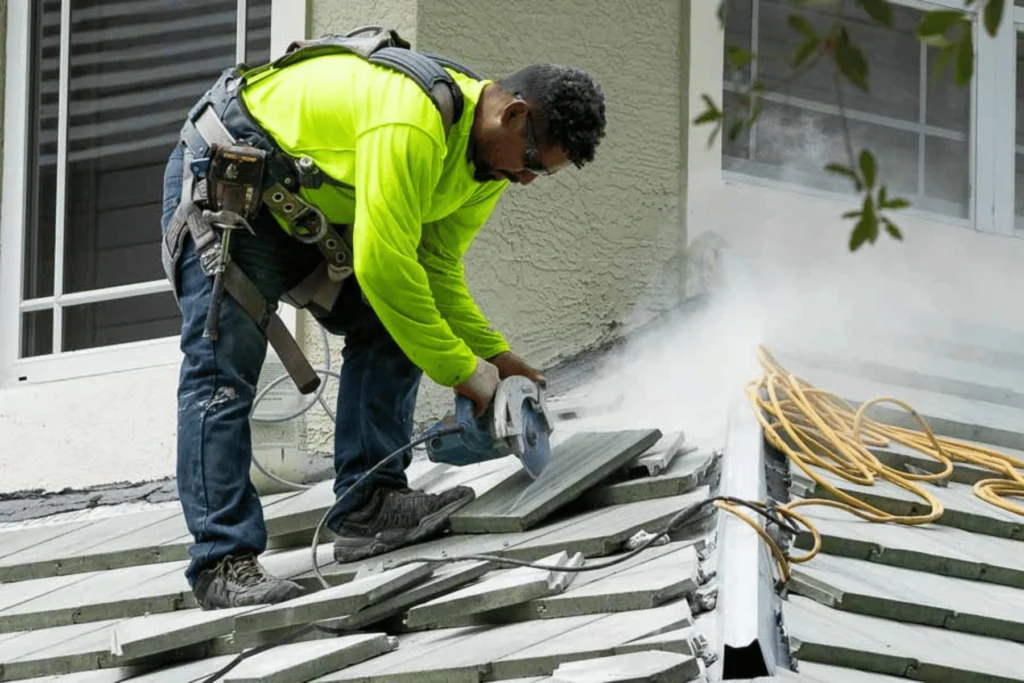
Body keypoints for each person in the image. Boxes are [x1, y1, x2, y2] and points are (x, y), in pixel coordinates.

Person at [159, 34, 607, 610]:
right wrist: (463, 372)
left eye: (539, 175)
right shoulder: (414, 119)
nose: (523, 181)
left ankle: (369, 505)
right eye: (528, 163)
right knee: (221, 369)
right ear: (513, 113)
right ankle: (222, 562)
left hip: (303, 206)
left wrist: (494, 354)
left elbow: (434, 268)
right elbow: (383, 267)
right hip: (230, 176)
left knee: (395, 317)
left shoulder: (482, 167)